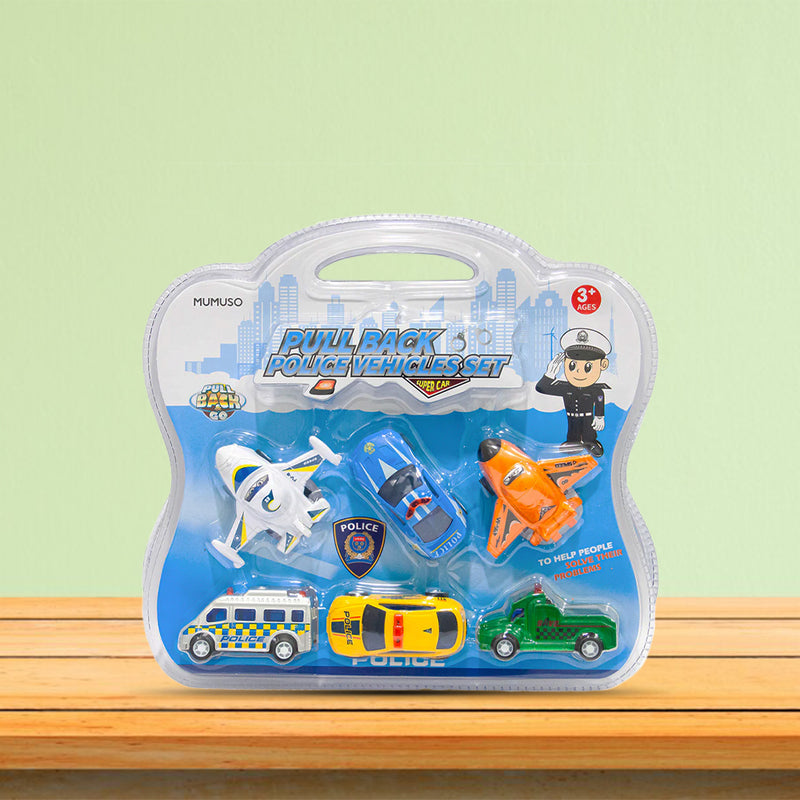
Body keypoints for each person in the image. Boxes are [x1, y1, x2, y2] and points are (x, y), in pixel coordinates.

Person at [536, 328, 611, 456]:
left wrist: (599, 417)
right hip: (572, 418)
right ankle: (573, 442)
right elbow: (542, 388)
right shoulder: (565, 388)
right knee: (572, 433)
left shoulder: (595, 390)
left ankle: (590, 442)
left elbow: (599, 398)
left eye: (587, 367)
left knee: (588, 433)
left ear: (603, 365)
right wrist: (550, 374)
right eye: (572, 365)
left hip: (588, 418)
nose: (578, 372)